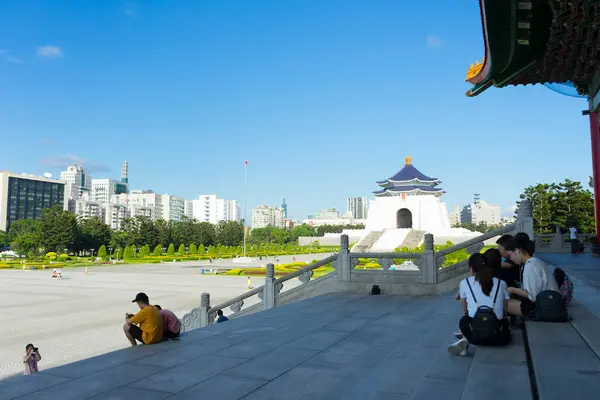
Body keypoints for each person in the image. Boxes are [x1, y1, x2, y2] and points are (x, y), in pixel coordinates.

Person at [448, 253, 511, 356]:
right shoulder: (501, 283)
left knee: (464, 320)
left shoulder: (465, 283)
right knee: (504, 322)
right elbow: (505, 310)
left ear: (471, 269)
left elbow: (465, 310)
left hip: (476, 337)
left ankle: (466, 340)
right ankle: (466, 340)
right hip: (499, 338)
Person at [504, 238, 559, 318]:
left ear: (517, 251)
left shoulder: (531, 266)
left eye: (510, 256)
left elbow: (532, 296)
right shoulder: (534, 262)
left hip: (543, 307)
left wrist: (513, 290)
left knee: (501, 303)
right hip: (548, 303)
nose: (510, 259)